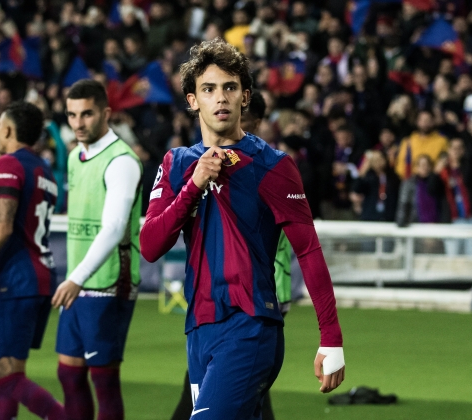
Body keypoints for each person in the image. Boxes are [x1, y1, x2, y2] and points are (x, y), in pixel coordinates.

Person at [141, 38, 344, 420]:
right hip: (198, 330)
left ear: (245, 96)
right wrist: (193, 186)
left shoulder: (273, 165)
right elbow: (150, 245)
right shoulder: (177, 164)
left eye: (230, 88)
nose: (221, 98)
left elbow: (309, 251)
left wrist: (331, 337)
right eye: (209, 89)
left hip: (250, 326)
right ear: (192, 100)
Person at [170, 91, 293, 420]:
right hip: (205, 312)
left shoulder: (268, 168)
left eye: (248, 122)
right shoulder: (188, 163)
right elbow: (156, 240)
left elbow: (290, 245)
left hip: (255, 304)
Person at [51, 79, 142, 420]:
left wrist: (76, 277)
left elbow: (115, 227)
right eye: (72, 114)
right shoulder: (75, 156)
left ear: (106, 113)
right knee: (69, 373)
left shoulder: (122, 161)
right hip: (80, 281)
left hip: (107, 282)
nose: (78, 122)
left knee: (104, 379)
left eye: (87, 114)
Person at [0, 101, 64, 420]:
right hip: (41, 277)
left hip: (15, 280)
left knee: (7, 376)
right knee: (5, 370)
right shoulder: (44, 169)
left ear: (7, 129)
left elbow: (3, 226)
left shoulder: (8, 163)